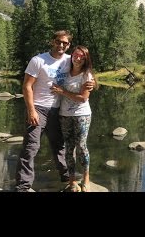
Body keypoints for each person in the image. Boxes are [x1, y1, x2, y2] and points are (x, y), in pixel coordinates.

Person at [14, 30, 93, 192]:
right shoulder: (38, 60)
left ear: (69, 45)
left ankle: (66, 176)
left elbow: (84, 71)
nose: (61, 45)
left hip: (58, 111)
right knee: (30, 147)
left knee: (60, 146)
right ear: (52, 41)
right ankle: (23, 186)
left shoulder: (68, 60)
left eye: (65, 43)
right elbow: (27, 86)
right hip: (38, 108)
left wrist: (93, 83)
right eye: (59, 42)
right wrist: (31, 110)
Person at [51, 45, 97, 192]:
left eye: (82, 57)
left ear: (85, 59)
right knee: (69, 149)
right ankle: (72, 181)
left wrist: (63, 91)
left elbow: (83, 98)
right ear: (72, 56)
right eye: (76, 55)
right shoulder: (65, 71)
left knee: (82, 147)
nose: (78, 58)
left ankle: (86, 179)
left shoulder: (86, 75)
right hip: (64, 115)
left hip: (82, 115)